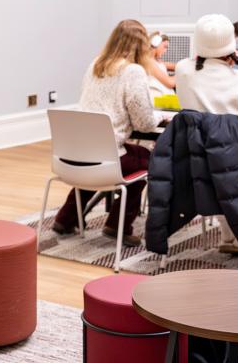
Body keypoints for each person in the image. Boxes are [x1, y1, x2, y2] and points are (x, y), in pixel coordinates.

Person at [173, 14, 238, 251]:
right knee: (233, 162)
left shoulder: (183, 71)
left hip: (189, 165)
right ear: (232, 45)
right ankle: (237, 236)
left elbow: (195, 63)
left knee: (217, 168)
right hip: (231, 172)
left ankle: (229, 236)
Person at [51, 20, 159, 247]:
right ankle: (117, 225)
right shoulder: (133, 71)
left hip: (74, 156)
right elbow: (146, 123)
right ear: (141, 46)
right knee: (149, 160)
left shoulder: (95, 65)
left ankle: (65, 218)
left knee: (105, 156)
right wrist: (160, 117)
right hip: (108, 158)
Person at [144, 31, 177, 97]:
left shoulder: (157, 62)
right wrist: (183, 73)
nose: (165, 50)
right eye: (165, 46)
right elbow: (170, 83)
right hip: (158, 101)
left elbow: (174, 66)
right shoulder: (149, 62)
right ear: (155, 43)